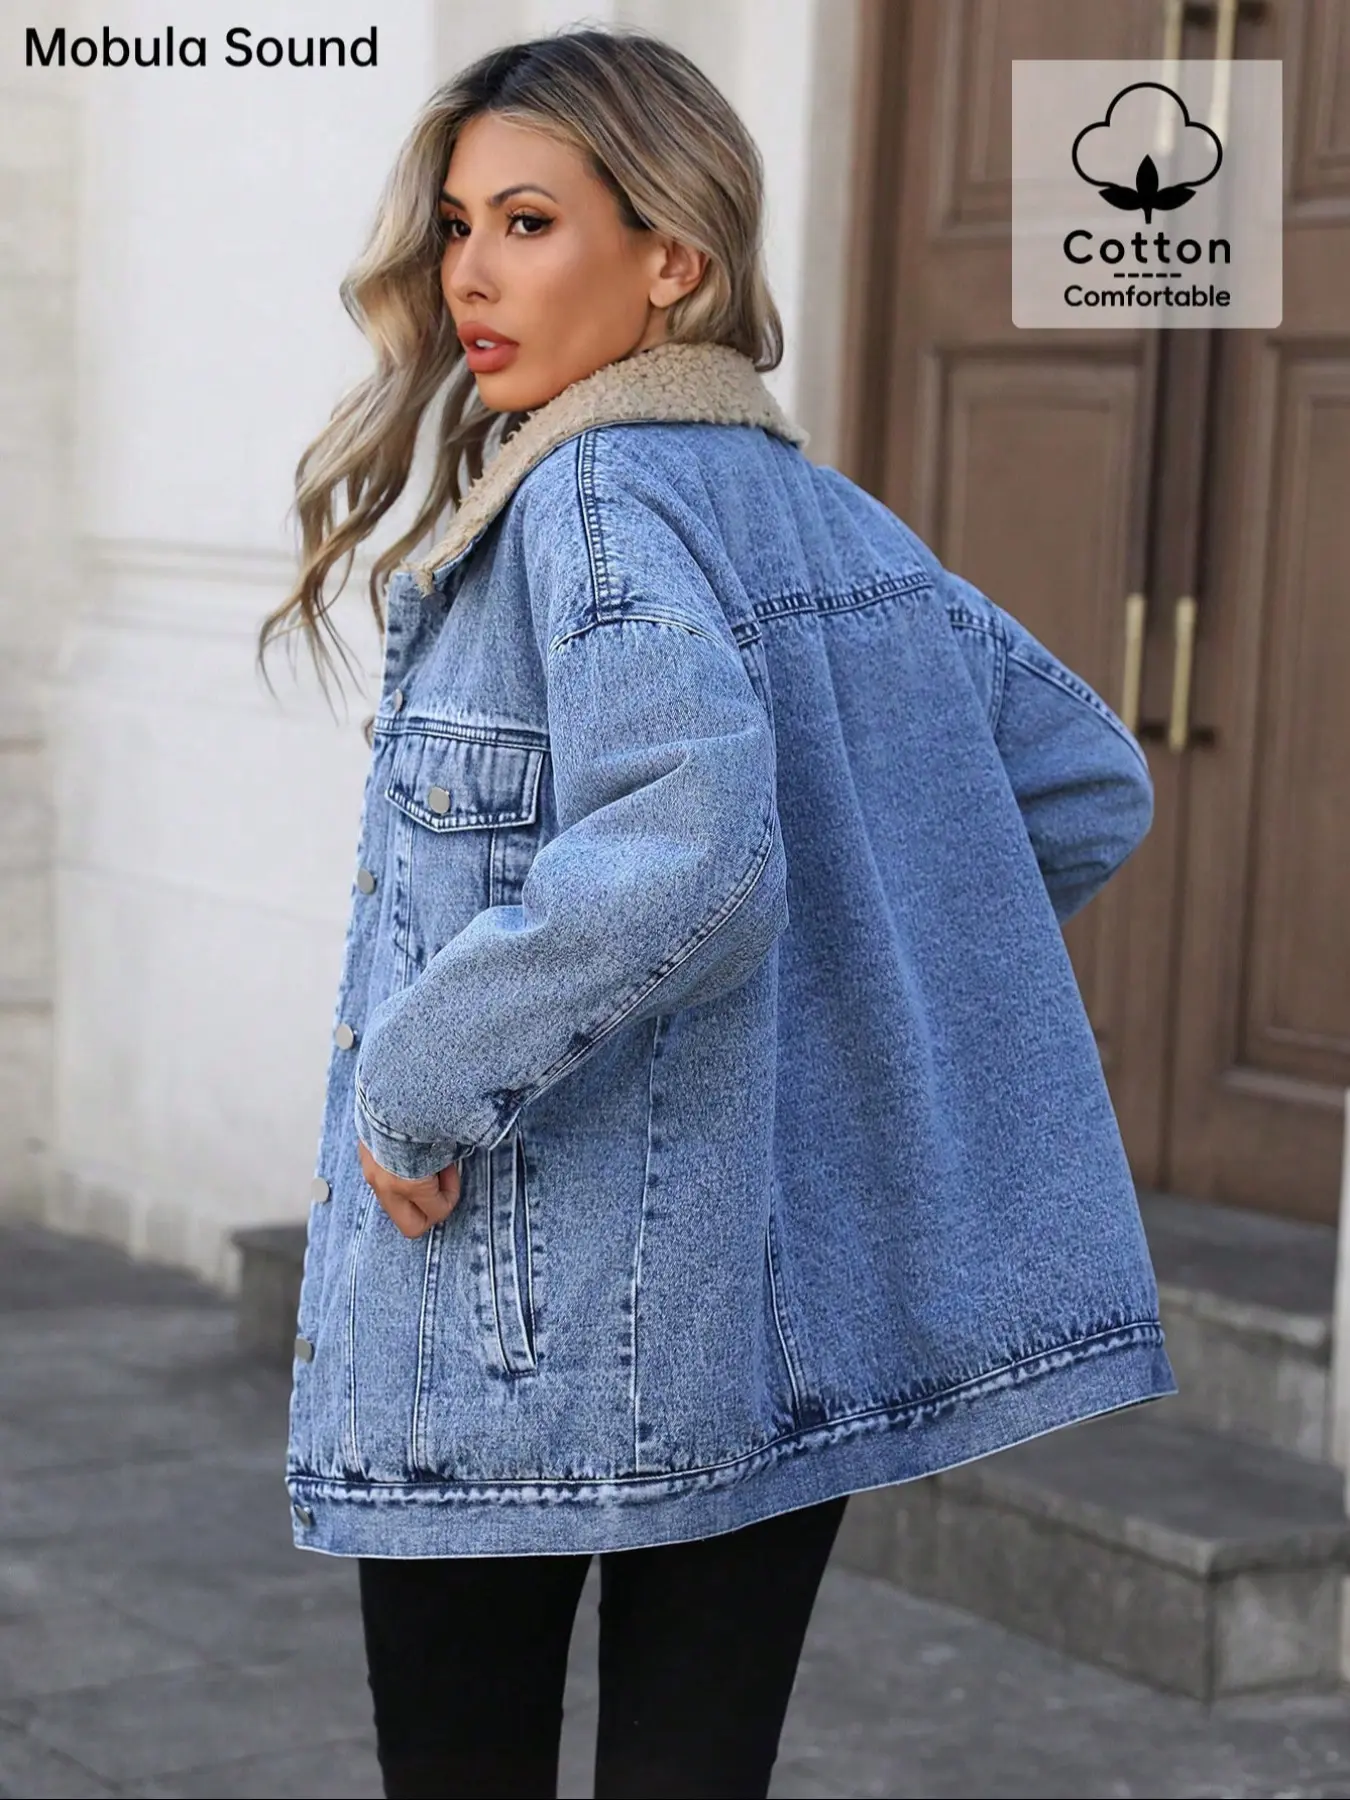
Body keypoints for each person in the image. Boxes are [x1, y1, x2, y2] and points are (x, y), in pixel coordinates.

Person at [257, 25, 1176, 1800]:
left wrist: (418, 1083)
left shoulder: (586, 500)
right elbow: (1079, 782)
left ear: (671, 258)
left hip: (517, 1309)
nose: (467, 274)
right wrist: (835, 980)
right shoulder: (832, 523)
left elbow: (687, 845)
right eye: (455, 226)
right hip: (764, 1307)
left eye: (528, 221)